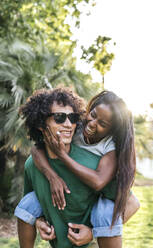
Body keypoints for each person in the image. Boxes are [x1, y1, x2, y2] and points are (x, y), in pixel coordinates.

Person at [15, 89, 139, 248]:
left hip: (95, 209)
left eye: (102, 124)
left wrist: (93, 232)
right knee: (29, 202)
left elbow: (100, 182)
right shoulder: (76, 127)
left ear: (111, 130)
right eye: (93, 115)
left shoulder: (110, 147)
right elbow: (36, 149)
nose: (92, 124)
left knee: (105, 211)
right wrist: (53, 177)